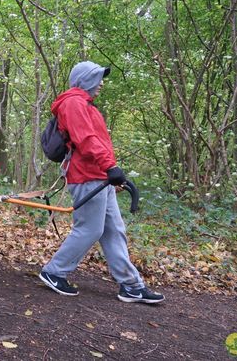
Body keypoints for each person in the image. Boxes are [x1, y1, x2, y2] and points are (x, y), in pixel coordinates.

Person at [39, 61, 165, 304]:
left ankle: (131, 286)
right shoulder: (73, 102)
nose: (101, 83)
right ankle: (54, 272)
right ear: (85, 79)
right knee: (90, 229)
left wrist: (111, 174)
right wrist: (110, 167)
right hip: (86, 176)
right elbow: (85, 140)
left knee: (114, 231)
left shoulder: (86, 105)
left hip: (98, 177)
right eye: (98, 78)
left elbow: (99, 142)